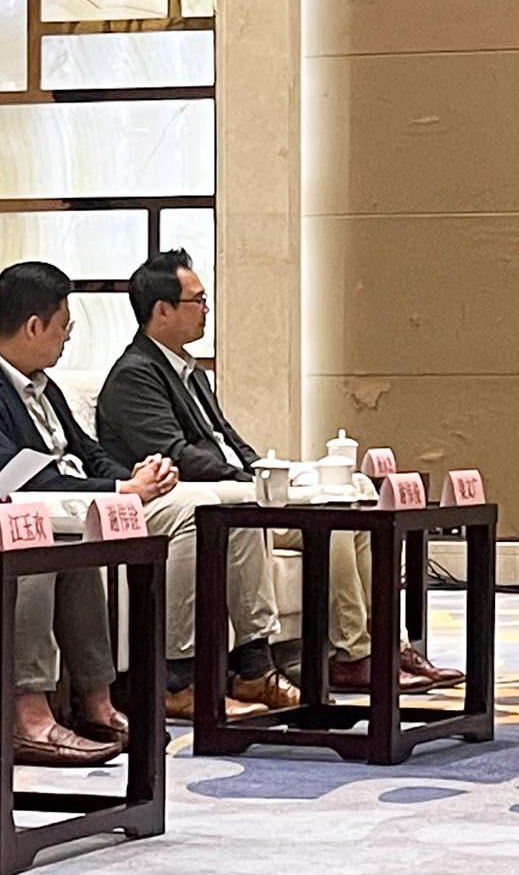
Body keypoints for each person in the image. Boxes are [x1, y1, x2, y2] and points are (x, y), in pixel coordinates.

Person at [98, 249, 460, 707]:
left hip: (234, 486)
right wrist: (258, 485)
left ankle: (384, 646)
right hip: (195, 499)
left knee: (354, 494)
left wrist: (272, 473)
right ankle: (347, 656)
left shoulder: (191, 372)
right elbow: (180, 457)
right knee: (325, 513)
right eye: (198, 300)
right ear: (162, 311)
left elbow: (229, 440)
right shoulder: (135, 375)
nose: (207, 309)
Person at [0, 261, 202, 764]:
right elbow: (19, 478)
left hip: (63, 518)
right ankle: (28, 717)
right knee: (44, 554)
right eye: (64, 327)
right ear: (35, 325)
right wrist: (120, 488)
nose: (66, 340)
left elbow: (85, 449)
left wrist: (131, 475)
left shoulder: (44, 386)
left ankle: (97, 704)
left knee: (77, 552)